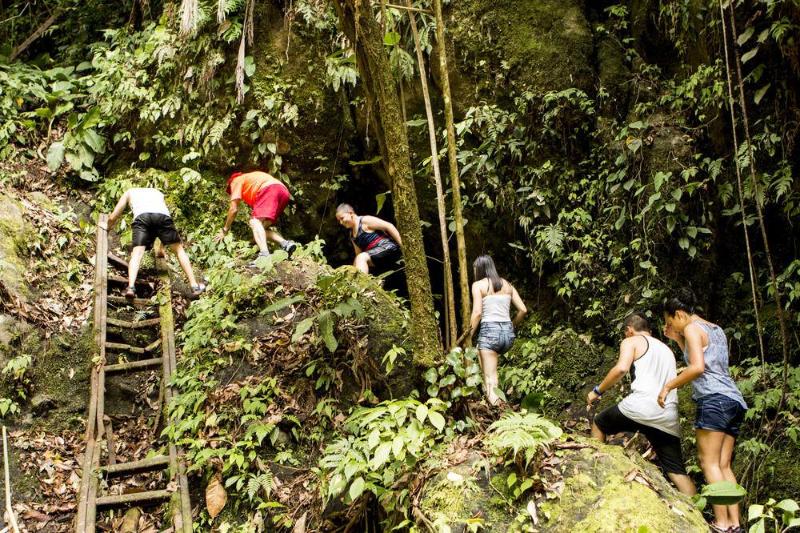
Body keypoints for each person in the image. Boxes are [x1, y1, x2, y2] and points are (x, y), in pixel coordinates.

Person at [660, 288, 748, 533]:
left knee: (708, 463)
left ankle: (721, 524)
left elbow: (697, 368)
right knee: (723, 465)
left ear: (679, 314)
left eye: (670, 322)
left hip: (713, 400)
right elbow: (708, 362)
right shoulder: (715, 329)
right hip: (733, 401)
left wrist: (668, 386)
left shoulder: (690, 328)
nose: (672, 327)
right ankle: (735, 525)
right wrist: (677, 340)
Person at [587, 312, 696, 496]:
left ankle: (594, 475)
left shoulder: (631, 341)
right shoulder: (666, 349)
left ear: (629, 330)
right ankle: (699, 513)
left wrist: (597, 391)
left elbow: (621, 368)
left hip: (639, 407)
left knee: (599, 423)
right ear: (649, 330)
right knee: (677, 472)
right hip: (667, 414)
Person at [101, 187, 205, 298]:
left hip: (142, 218)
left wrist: (107, 226)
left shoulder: (129, 192)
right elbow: (159, 222)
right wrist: (161, 248)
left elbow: (114, 215)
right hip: (163, 217)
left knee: (137, 254)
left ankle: (131, 288)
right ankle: (194, 286)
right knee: (179, 251)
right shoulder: (158, 193)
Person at [469, 255, 526, 405]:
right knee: (481, 355)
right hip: (507, 335)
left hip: (490, 333)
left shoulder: (478, 285)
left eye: (475, 269)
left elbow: (477, 313)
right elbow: (523, 310)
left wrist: (468, 335)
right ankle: (491, 398)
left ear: (480, 269)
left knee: (490, 379)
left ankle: (497, 412)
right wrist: (512, 325)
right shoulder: (507, 285)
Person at [215, 171, 298, 259]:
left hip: (270, 189)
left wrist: (225, 230)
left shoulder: (236, 181)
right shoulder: (251, 181)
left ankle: (264, 255)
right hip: (283, 192)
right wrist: (251, 243)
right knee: (260, 227)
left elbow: (233, 209)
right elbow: (259, 231)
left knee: (254, 221)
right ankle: (286, 244)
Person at [335, 203, 403, 275]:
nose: (341, 222)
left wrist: (403, 246)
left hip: (388, 247)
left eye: (342, 218)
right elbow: (358, 255)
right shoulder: (351, 235)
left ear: (351, 213)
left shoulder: (365, 220)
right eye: (339, 220)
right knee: (357, 261)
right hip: (376, 257)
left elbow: (389, 226)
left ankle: (361, 284)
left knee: (361, 257)